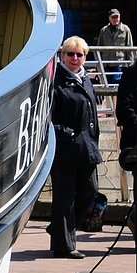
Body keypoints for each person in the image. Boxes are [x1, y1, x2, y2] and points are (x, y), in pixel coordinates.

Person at [48, 37, 101, 259]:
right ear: (63, 56)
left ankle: (59, 229)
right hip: (66, 148)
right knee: (65, 198)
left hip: (87, 146)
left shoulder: (85, 79)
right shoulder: (56, 81)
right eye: (71, 54)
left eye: (80, 55)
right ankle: (64, 245)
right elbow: (47, 115)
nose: (75, 58)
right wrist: (64, 133)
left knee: (90, 192)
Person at [96, 8, 133, 82]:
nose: (115, 19)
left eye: (117, 17)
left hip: (119, 62)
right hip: (106, 62)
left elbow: (129, 46)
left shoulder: (125, 30)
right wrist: (98, 64)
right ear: (109, 18)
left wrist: (131, 62)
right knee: (105, 82)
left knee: (116, 83)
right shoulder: (104, 30)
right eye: (113, 17)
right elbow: (99, 47)